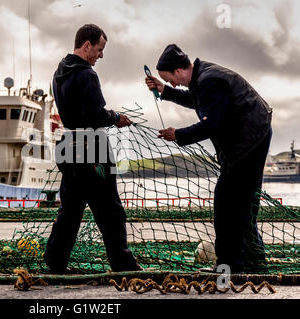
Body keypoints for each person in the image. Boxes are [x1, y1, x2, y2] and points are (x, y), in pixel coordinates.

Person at [145, 44, 272, 273]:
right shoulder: (204, 76)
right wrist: (164, 90)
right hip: (254, 135)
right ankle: (255, 261)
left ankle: (229, 265)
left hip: (248, 141)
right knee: (244, 206)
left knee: (226, 204)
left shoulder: (209, 80)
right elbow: (198, 100)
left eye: (170, 79)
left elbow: (212, 124)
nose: (173, 84)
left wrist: (178, 134)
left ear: (179, 70)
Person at [43, 24, 142, 274]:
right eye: (99, 49)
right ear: (87, 45)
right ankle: (123, 265)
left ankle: (55, 262)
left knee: (71, 210)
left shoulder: (58, 73)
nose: (101, 55)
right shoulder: (87, 74)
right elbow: (96, 115)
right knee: (111, 210)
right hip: (92, 148)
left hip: (69, 145)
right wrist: (116, 116)